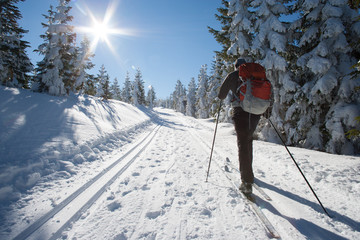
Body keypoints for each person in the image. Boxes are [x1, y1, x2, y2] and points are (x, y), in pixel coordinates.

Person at [218, 58, 261, 195]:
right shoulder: (254, 75)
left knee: (242, 143)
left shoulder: (233, 75)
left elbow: (221, 95)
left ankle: (247, 182)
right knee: (249, 140)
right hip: (255, 113)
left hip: (240, 112)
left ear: (236, 66)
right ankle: (249, 173)